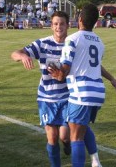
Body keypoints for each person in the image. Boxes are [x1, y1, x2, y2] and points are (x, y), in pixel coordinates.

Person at [48, 4, 116, 167]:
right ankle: (95, 161)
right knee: (82, 128)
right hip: (97, 92)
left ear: (79, 19)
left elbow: (65, 68)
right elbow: (95, 66)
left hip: (81, 92)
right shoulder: (99, 42)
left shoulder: (72, 39)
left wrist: (58, 75)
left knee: (76, 138)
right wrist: (112, 78)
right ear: (95, 22)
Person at [11, 11, 72, 167]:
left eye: (62, 24)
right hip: (46, 98)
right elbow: (15, 53)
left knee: (64, 136)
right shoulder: (43, 44)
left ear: (68, 25)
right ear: (51, 26)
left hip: (67, 97)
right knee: (52, 138)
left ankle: (67, 144)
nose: (59, 27)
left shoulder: (72, 45)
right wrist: (23, 56)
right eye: (56, 24)